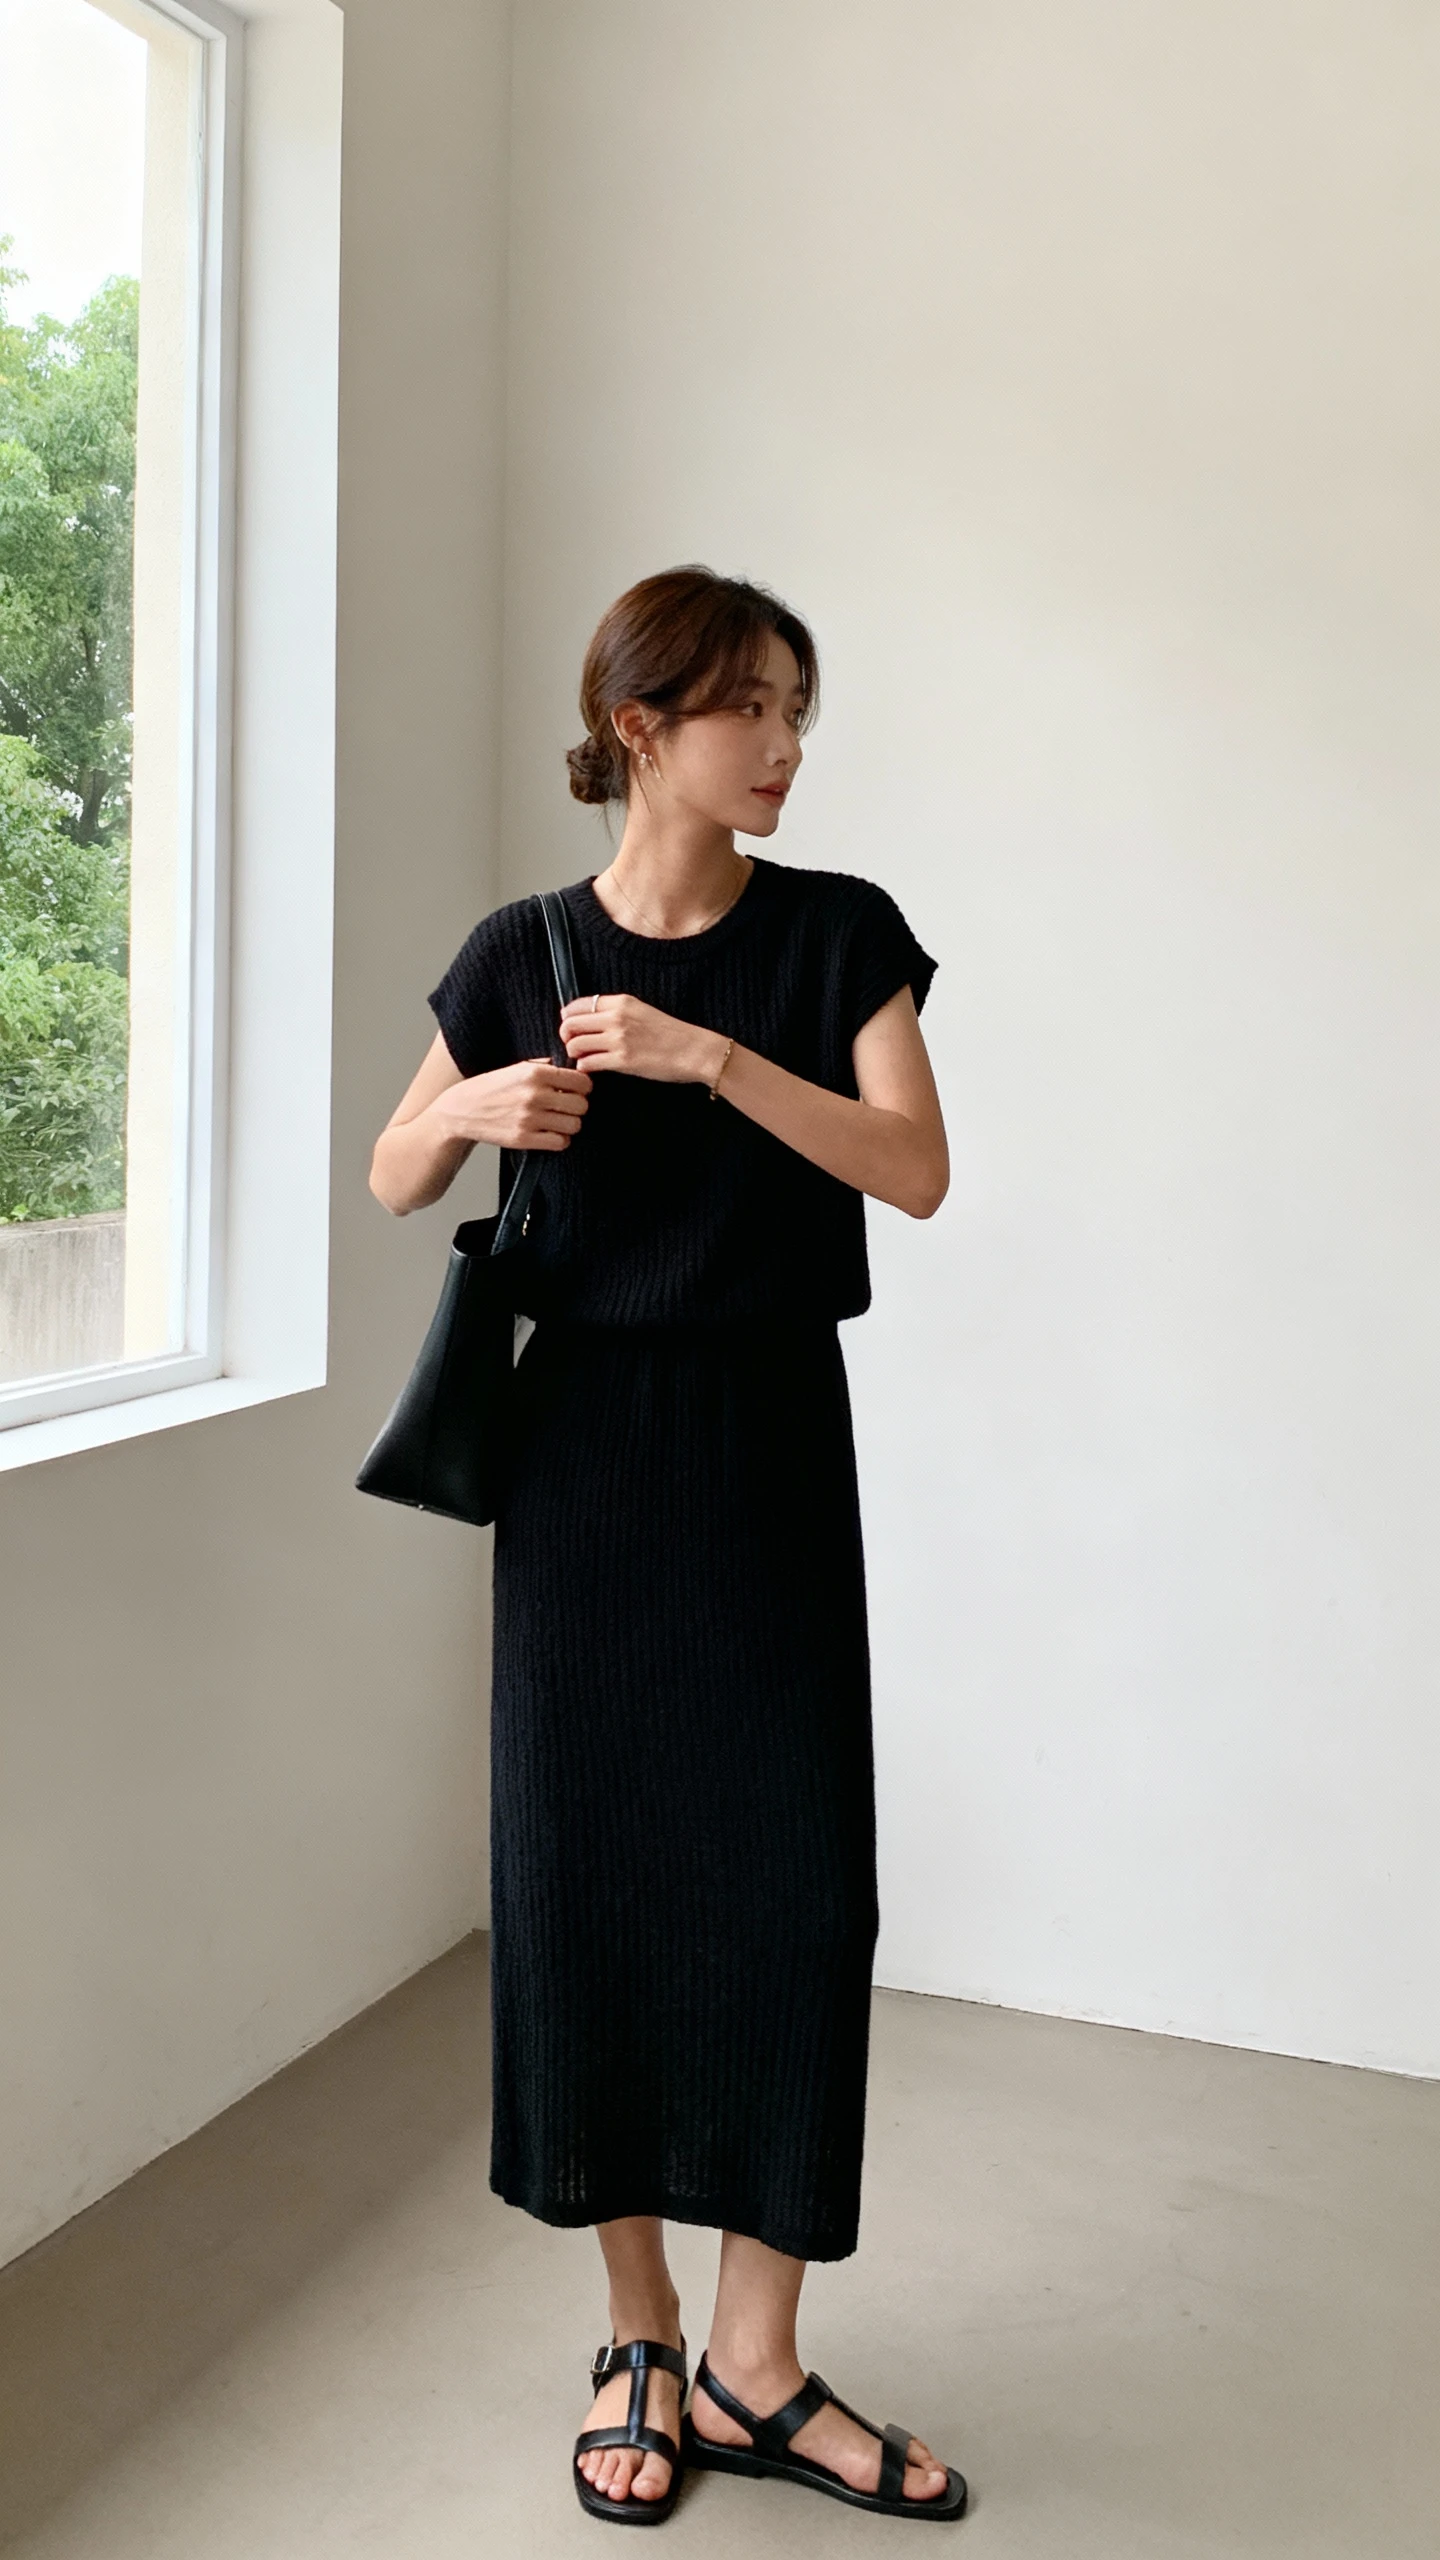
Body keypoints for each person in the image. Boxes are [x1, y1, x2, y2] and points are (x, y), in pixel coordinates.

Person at [369, 566, 966, 2526]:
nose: (790, 745)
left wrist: (716, 1062)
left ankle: (759, 2358)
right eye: (756, 710)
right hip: (582, 1466)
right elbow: (390, 1170)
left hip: (770, 1442)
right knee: (591, 1886)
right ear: (646, 728)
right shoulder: (519, 945)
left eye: (801, 709)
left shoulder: (836, 936)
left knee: (797, 1890)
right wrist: (472, 1095)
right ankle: (637, 2332)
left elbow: (916, 1167)